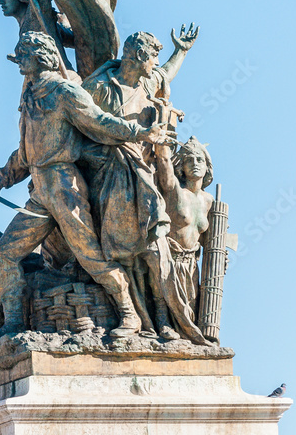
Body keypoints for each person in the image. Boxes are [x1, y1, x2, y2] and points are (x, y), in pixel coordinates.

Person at [0, 32, 176, 338]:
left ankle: (129, 314)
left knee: (91, 257)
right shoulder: (30, 95)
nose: (19, 61)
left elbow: (101, 122)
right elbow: (26, 150)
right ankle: (14, 323)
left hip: (65, 188)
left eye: (24, 54)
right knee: (4, 255)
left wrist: (141, 133)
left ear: (42, 56)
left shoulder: (65, 91)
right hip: (41, 193)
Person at [80, 28, 208, 344]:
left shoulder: (145, 82)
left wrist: (182, 51)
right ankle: (139, 318)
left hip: (141, 174)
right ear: (139, 55)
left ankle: (166, 321)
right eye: (153, 56)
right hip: (108, 173)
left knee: (153, 246)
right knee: (124, 252)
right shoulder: (97, 87)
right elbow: (80, 122)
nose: (155, 64)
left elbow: (167, 73)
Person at [153, 137, 214, 342]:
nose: (195, 164)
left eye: (200, 160)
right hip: (169, 261)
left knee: (191, 316)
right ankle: (162, 325)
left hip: (191, 266)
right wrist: (162, 150)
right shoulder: (175, 192)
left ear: (207, 167)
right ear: (182, 166)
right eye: (189, 160)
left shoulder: (209, 201)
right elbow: (167, 178)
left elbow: (209, 240)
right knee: (168, 311)